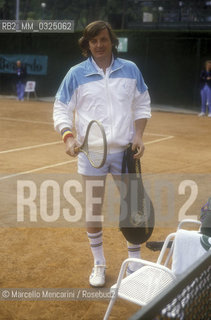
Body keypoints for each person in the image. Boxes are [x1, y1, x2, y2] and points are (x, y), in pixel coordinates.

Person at [53, 21, 151, 287]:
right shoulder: (75, 74)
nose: (98, 45)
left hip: (125, 153)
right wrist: (68, 137)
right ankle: (99, 264)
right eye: (93, 41)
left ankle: (134, 266)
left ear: (112, 41)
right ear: (87, 44)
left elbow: (142, 103)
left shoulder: (130, 70)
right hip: (91, 154)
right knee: (93, 209)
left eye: (103, 40)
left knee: (132, 209)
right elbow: (61, 108)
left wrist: (139, 135)